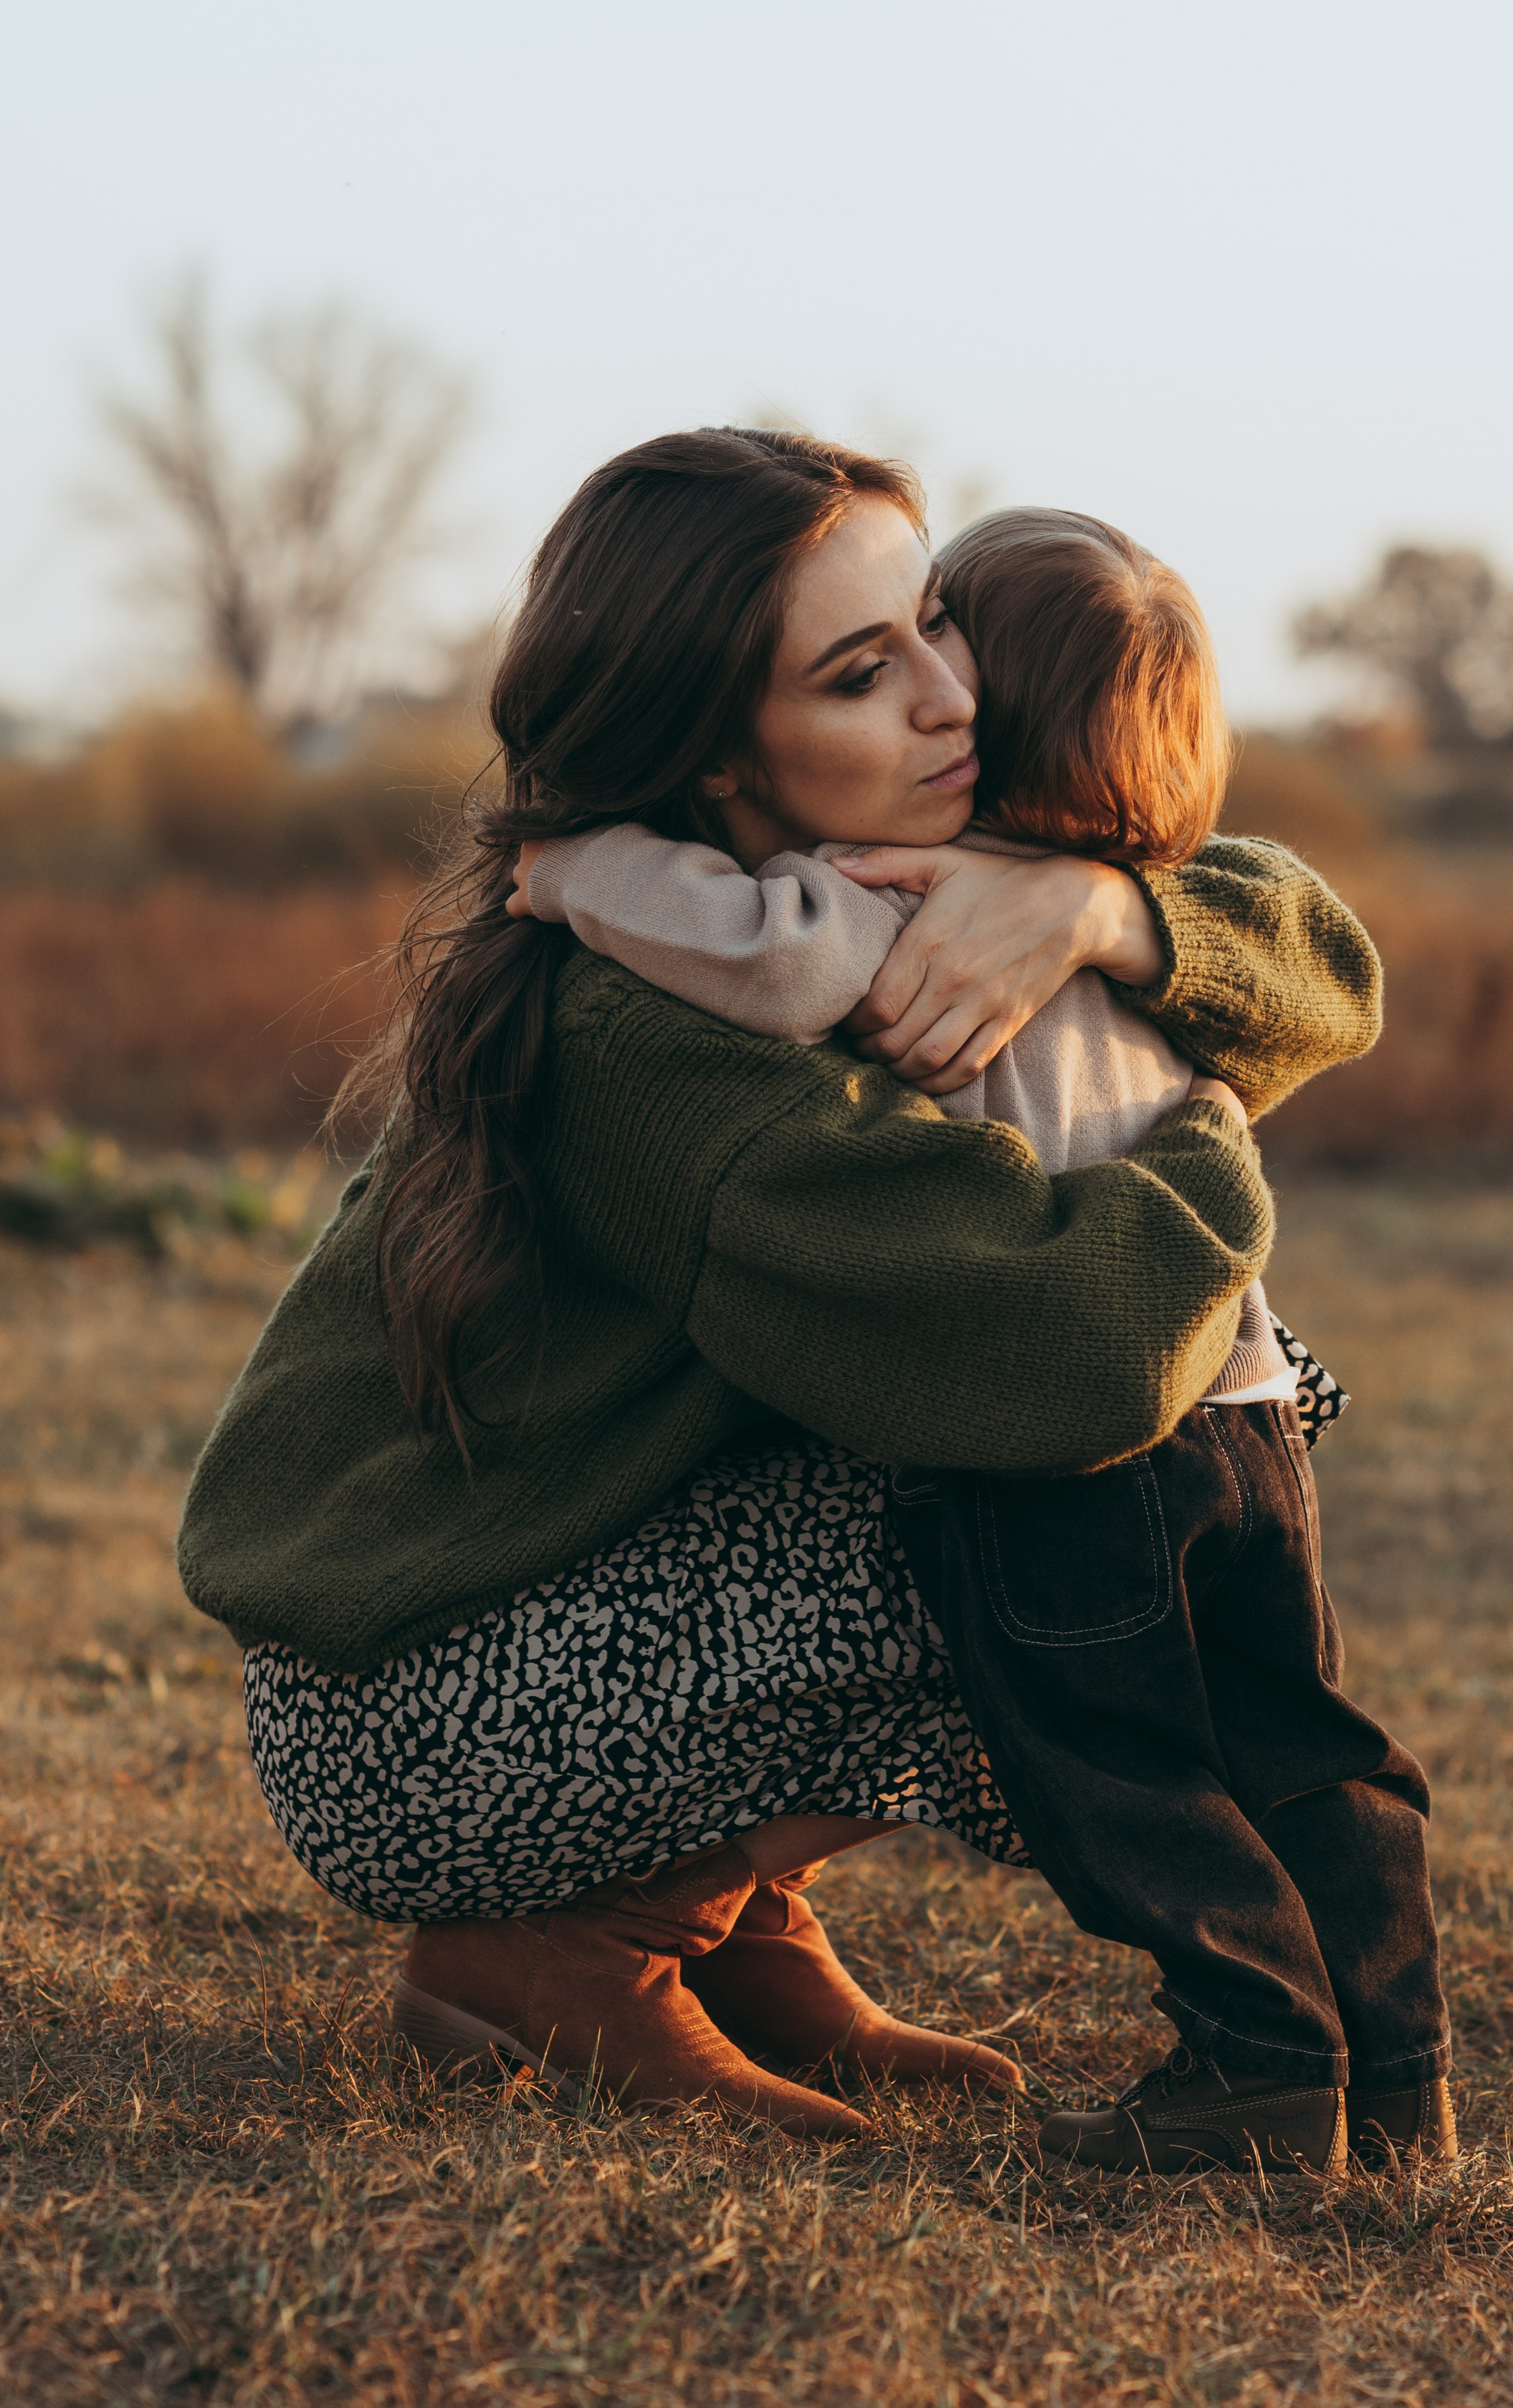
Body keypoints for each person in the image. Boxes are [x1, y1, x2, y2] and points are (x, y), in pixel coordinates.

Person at [178, 427, 1373, 2150]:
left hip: (520, 1623)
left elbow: (1329, 967)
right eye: (858, 672)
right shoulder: (662, 1041)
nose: (951, 699)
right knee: (1135, 1472)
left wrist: (1102, 913)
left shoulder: (813, 917)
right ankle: (575, 1939)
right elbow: (1067, 1354)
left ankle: (728, 1913)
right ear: (720, 766)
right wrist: (1205, 1140)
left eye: (935, 626)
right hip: (419, 1720)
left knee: (1226, 1411)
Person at [506, 504, 1451, 2178]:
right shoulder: (1152, 929)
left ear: (994, 713)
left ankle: (1251, 2070)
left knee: (1120, 1772)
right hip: (1243, 1415)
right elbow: (1291, 948)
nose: (935, 693)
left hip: (1076, 1441)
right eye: (890, 655)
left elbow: (780, 963)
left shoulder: (911, 893)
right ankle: (1396, 2077)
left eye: (947, 647)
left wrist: (583, 869)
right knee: (1295, 1742)